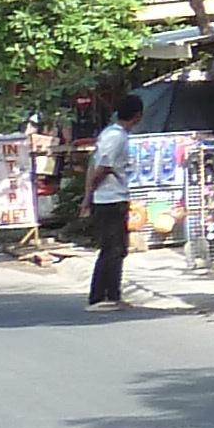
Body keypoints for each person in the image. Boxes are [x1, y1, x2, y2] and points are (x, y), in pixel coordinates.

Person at [84, 91, 138, 309]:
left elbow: (94, 165)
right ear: (138, 115)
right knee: (113, 248)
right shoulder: (115, 137)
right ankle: (103, 296)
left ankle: (110, 294)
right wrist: (89, 195)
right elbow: (102, 167)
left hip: (112, 197)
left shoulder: (113, 134)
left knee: (117, 247)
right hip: (110, 198)